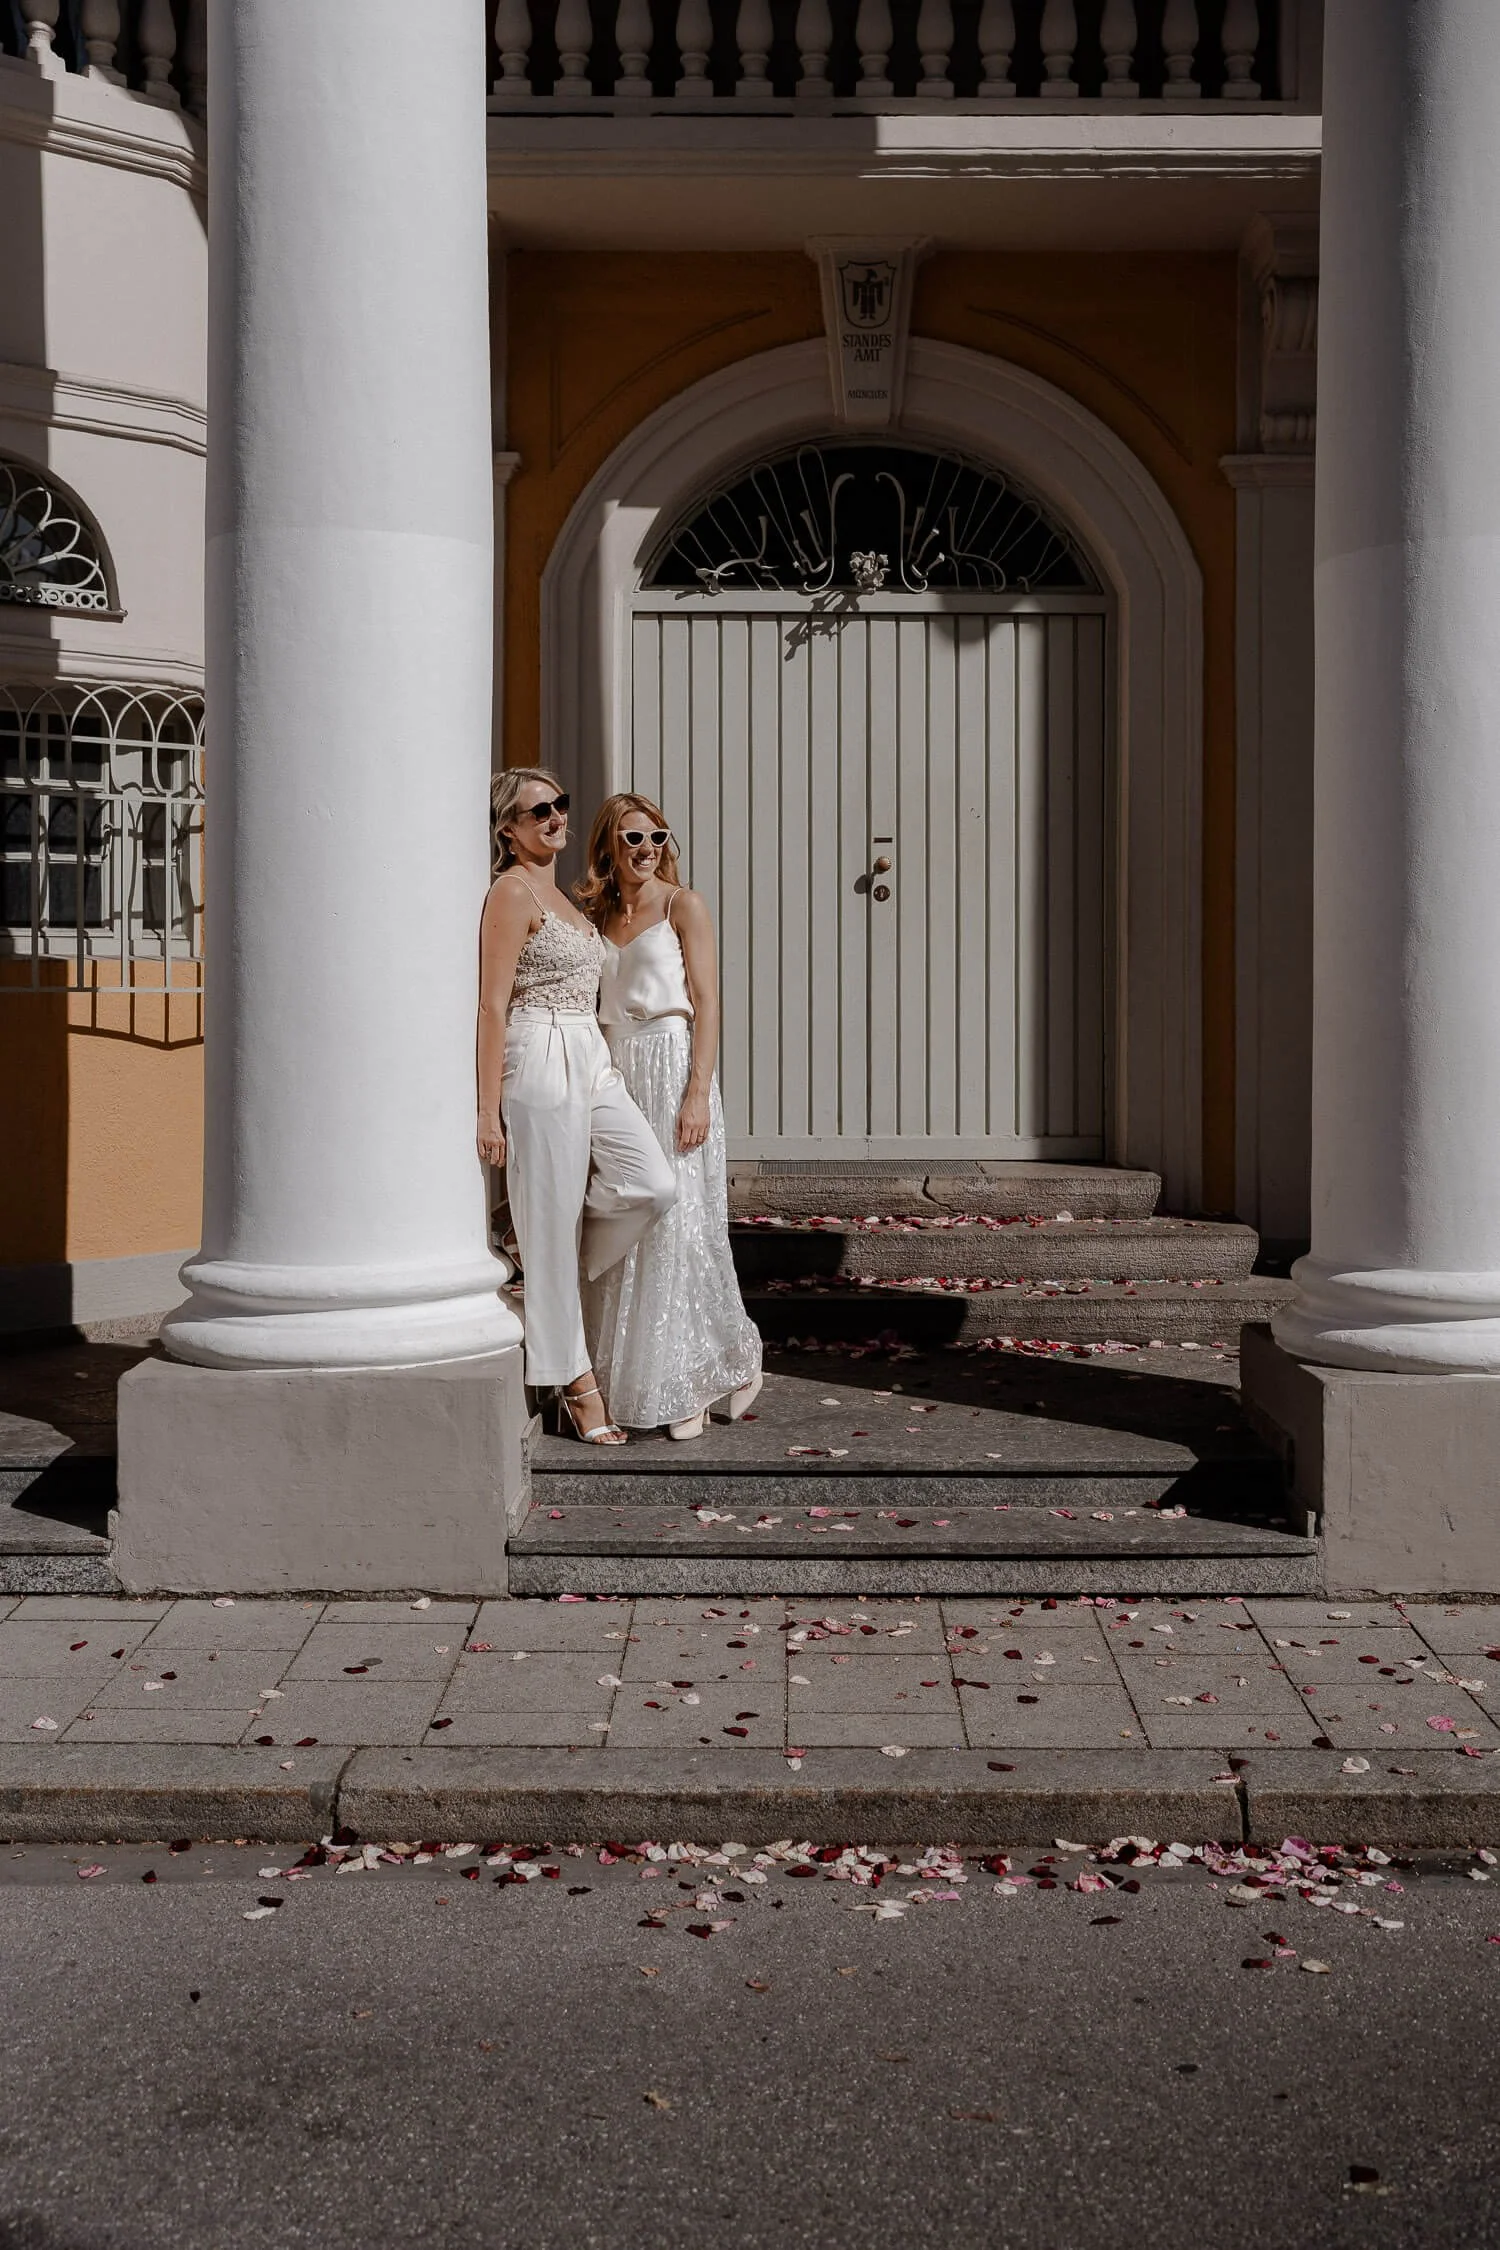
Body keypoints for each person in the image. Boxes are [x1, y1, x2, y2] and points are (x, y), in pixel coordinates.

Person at [476, 769, 676, 1443]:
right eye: (538, 811)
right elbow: (491, 1005)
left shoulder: (562, 895)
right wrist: (487, 1110)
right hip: (539, 1053)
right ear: (509, 830)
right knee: (552, 1229)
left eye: (559, 805)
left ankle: (528, 1247)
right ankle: (575, 1382)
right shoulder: (510, 892)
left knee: (651, 1184)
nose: (556, 817)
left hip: (589, 1052)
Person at [576, 793, 762, 1439]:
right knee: (630, 1214)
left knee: (679, 1222)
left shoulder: (685, 905)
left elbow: (708, 1002)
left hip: (672, 1061)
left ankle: (695, 1379)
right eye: (633, 838)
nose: (647, 849)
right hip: (614, 1068)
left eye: (657, 836)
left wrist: (697, 1092)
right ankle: (637, 1376)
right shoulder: (595, 912)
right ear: (609, 844)